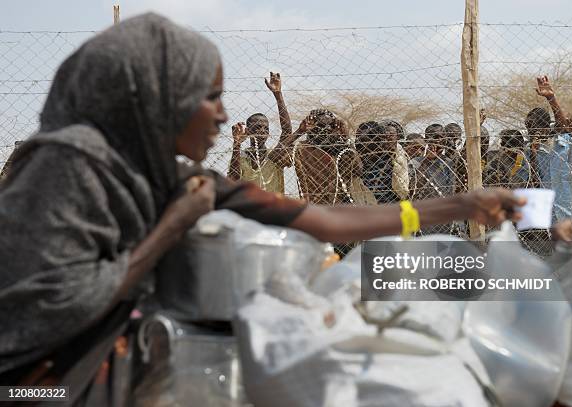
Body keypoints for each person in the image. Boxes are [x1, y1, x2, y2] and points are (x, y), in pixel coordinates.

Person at [0, 13, 525, 402]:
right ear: (157, 97)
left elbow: (324, 221)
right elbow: (57, 306)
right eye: (210, 97)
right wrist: (172, 227)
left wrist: (454, 205)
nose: (224, 115)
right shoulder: (67, 168)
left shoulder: (175, 177)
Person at [525, 76, 572, 224]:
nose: (531, 133)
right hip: (552, 219)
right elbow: (531, 184)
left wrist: (551, 98)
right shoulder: (530, 152)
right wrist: (532, 156)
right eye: (528, 129)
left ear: (546, 127)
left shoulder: (567, 143)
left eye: (534, 128)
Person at [227, 72, 295, 194]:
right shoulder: (241, 157)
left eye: (266, 129)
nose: (262, 132)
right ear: (248, 131)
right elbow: (233, 179)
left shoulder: (274, 157)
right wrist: (236, 143)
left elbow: (286, 132)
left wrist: (278, 95)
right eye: (257, 128)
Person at [354, 120, 411, 204]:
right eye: (360, 138)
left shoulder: (392, 159)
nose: (363, 143)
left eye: (370, 137)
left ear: (379, 139)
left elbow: (402, 190)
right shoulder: (356, 163)